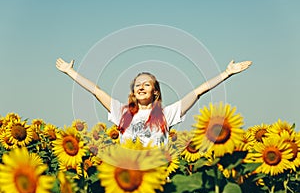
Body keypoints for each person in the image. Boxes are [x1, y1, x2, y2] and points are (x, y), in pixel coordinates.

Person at [56, 58, 252, 146]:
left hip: (157, 179)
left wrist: (227, 73)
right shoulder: (122, 112)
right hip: (129, 182)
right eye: (137, 85)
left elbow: (198, 91)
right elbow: (96, 91)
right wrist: (69, 71)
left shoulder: (167, 114)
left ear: (155, 91)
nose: (140, 87)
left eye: (146, 85)